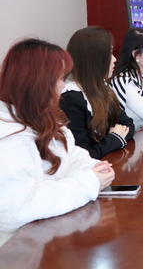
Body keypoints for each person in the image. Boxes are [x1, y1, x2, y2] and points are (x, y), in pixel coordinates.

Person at [0, 39, 114, 233]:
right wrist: (88, 182)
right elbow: (17, 209)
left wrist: (94, 169)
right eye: (61, 78)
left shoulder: (44, 118)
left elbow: (72, 155)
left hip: (53, 233)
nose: (64, 85)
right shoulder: (8, 137)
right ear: (39, 83)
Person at [60, 27, 135, 159]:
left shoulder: (101, 87)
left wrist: (110, 140)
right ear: (94, 58)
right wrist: (114, 138)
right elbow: (83, 155)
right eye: (109, 53)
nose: (114, 59)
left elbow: (128, 125)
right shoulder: (71, 97)